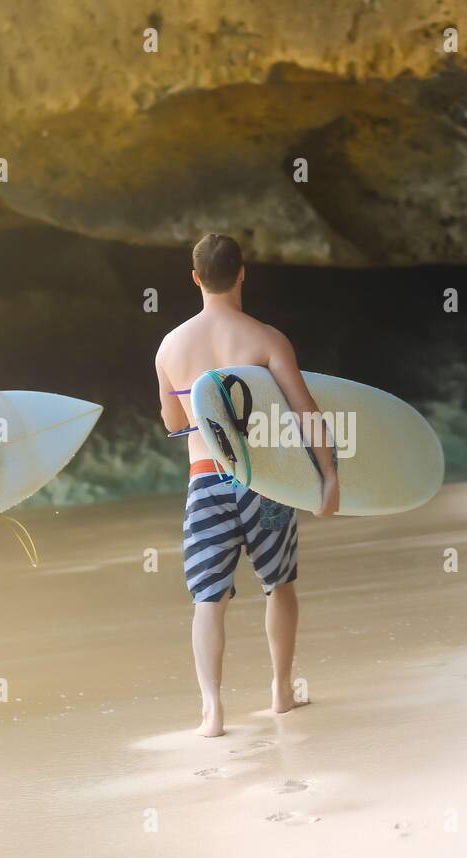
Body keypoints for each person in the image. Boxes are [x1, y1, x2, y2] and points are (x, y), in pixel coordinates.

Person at [155, 234, 340, 737]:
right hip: (266, 484)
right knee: (278, 584)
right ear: (242, 274)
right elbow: (305, 413)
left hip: (205, 481)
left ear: (195, 278)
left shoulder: (170, 347)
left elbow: (175, 423)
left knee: (208, 598)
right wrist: (329, 478)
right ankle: (281, 689)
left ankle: (212, 709)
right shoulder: (266, 339)